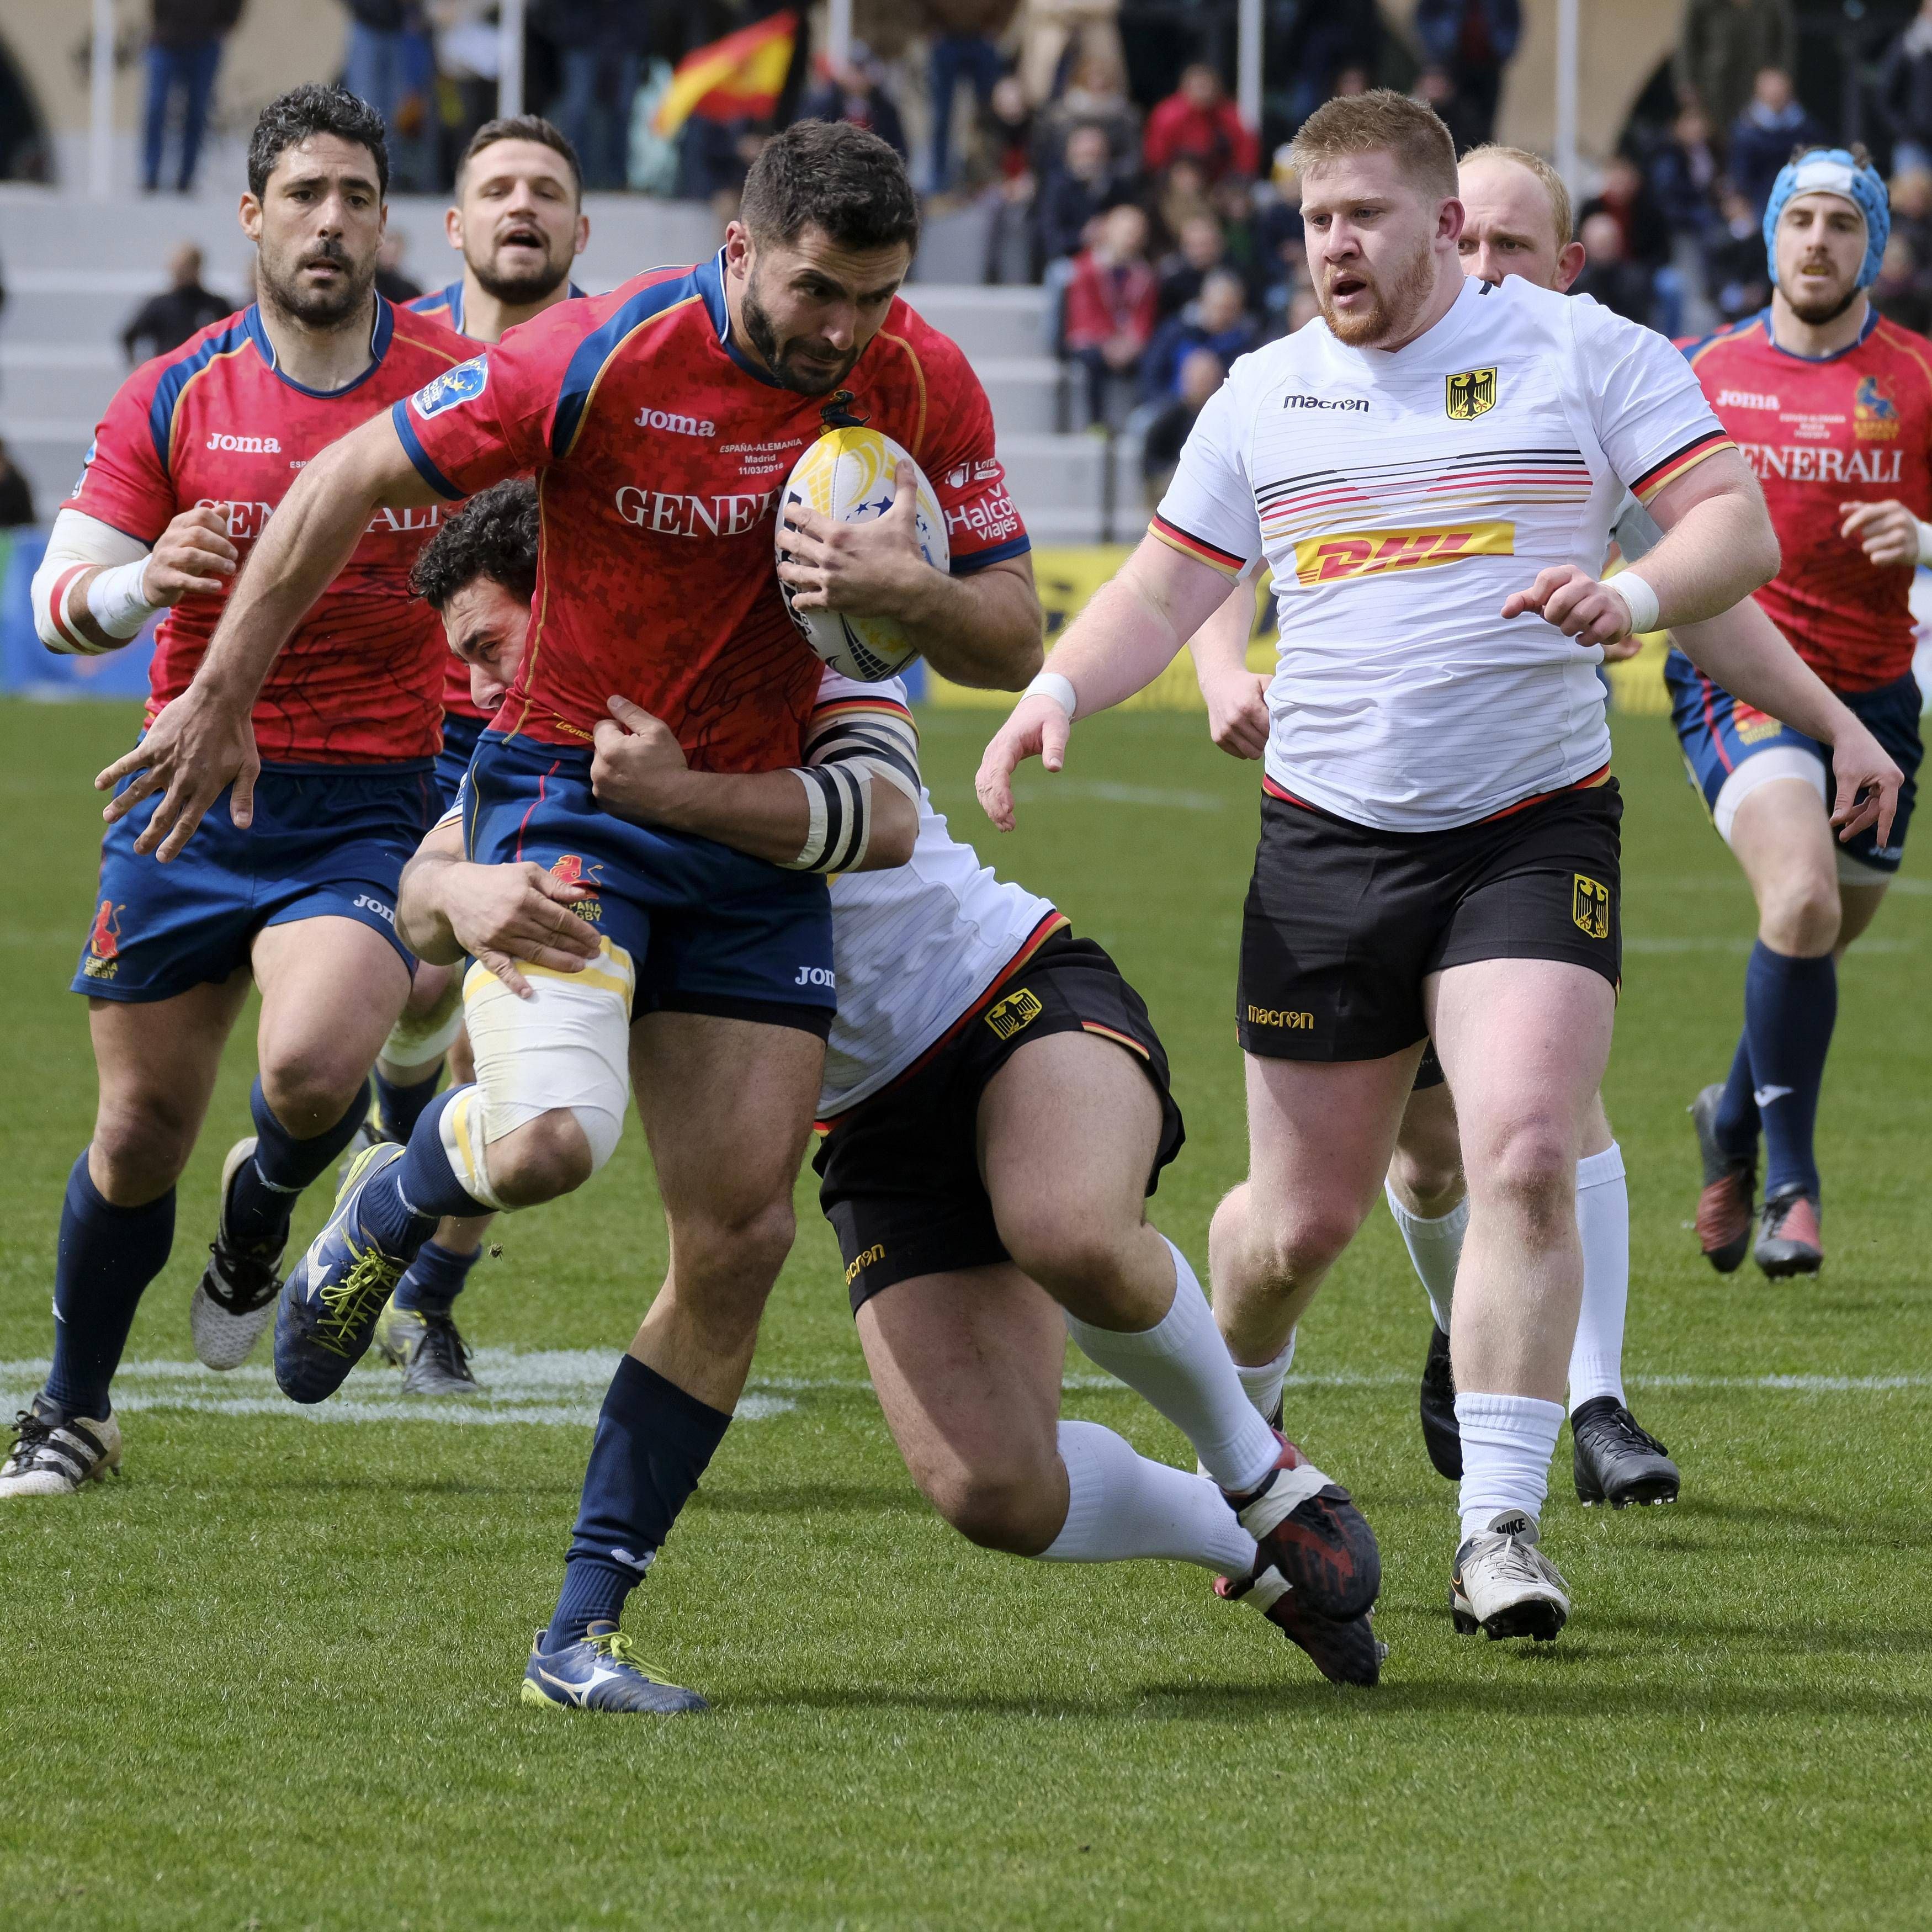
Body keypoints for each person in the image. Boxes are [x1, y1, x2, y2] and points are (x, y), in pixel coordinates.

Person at [95, 121, 1043, 1710]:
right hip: (570, 789)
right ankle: (390, 1205)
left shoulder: (918, 378)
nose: (839, 332)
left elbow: (1010, 629)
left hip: (750, 825)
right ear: (738, 250)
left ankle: (578, 1634)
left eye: (872, 297)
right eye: (816, 290)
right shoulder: (595, 357)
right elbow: (344, 474)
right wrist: (219, 693)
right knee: (546, 1142)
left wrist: (917, 586)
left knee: (735, 1238)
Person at [975, 91, 1894, 1643]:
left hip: (1530, 829)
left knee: (1524, 1149)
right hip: (1326, 844)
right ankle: (1246, 1459)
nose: (1331, 245)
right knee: (1291, 1229)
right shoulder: (1266, 392)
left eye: (1361, 217)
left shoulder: (1586, 353)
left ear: (1443, 226)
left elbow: (1732, 531)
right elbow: (1162, 584)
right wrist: (1056, 692)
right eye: (1312, 220)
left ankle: (1497, 1532)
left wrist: (1633, 591)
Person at [406, 493, 1385, 1693]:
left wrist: (675, 794)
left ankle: (1264, 1475)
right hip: (869, 1117)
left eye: (487, 650)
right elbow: (431, 875)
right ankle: (1253, 1547)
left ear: (564, 604)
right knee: (995, 1492)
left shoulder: (775, 653)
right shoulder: (540, 741)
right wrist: (450, 899)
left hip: (1002, 995)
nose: (476, 690)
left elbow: (880, 818)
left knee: (1067, 1224)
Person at [0, 86, 474, 1502]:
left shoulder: (451, 387)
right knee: (139, 1132)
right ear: (253, 216)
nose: (333, 221)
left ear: (386, 226)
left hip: (365, 806)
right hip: (184, 803)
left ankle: (261, 1213)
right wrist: (153, 578)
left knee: (313, 1066)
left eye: (358, 198)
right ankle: (73, 1411)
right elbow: (56, 604)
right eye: (307, 195)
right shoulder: (177, 392)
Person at [1671, 147, 1929, 1279]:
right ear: (1771, 237)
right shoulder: (1700, 371)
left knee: (1815, 933)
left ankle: (1726, 1121)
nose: (1816, 240)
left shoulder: (1918, 376)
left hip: (1878, 698)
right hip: (1748, 682)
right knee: (1801, 894)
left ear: (1870, 244)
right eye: (1799, 220)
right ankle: (1790, 1183)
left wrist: (1926, 542)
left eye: (1840, 222)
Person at [1061, 201, 1156, 427]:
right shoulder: (1085, 269)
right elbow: (1085, 312)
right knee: (1092, 363)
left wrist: (1132, 343)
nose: (1131, 238)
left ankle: (1141, 420)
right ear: (1108, 231)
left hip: (1127, 344)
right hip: (1093, 340)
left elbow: (1144, 315)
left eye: (1137, 232)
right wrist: (1109, 344)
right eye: (1126, 231)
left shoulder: (1144, 275)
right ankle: (1096, 422)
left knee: (1151, 359)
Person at [144, 0, 244, 195]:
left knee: (197, 112)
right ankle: (150, 175)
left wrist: (224, 25)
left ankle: (186, 179)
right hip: (166, 39)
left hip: (204, 43)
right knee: (156, 109)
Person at [922, 0, 1018, 195]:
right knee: (942, 115)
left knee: (990, 114)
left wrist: (997, 27)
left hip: (981, 37)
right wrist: (929, 27)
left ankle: (987, 174)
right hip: (946, 37)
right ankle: (939, 179)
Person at [1675, 0, 1796, 139]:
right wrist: (1687, 88)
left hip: (1761, 90)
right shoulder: (1701, 5)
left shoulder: (1773, 5)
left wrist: (1781, 76)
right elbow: (1687, 45)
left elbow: (1785, 40)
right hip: (1713, 90)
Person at [1412, 0, 1520, 147]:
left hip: (1489, 64)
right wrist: (1434, 60)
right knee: (1448, 131)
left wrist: (1503, 47)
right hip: (1450, 64)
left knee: (1483, 133)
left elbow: (1511, 17)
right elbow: (1425, 17)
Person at [1139, 267, 1254, 403]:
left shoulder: (1246, 343)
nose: (1221, 315)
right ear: (1203, 301)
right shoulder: (1176, 331)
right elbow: (1151, 374)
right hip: (1170, 409)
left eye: (1228, 309)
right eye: (1216, 307)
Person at [1034, 121, 1134, 267]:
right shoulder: (1056, 188)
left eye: (1097, 155)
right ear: (1070, 155)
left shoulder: (1117, 187)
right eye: (1085, 155)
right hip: (1069, 259)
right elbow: (1050, 237)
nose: (1091, 162)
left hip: (1114, 257)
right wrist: (1082, 238)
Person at [1729, 68, 1824, 216]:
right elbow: (1740, 174)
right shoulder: (1746, 131)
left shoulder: (1805, 126)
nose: (1777, 96)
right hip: (1760, 201)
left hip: (1800, 193)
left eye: (1781, 90)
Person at [1142, 65, 1258, 185]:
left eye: (1208, 87)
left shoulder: (1229, 116)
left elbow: (1246, 157)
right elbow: (1155, 159)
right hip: (1175, 182)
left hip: (1221, 184)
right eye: (1199, 87)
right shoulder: (1167, 115)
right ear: (1185, 88)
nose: (1204, 93)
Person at [120, 244, 233, 364]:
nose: (178, 271)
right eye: (175, 267)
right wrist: (138, 367)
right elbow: (129, 336)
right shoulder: (159, 305)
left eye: (184, 267)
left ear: (197, 267)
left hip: (206, 373)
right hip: (170, 374)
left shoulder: (216, 305)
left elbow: (236, 337)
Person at [798, 44, 910, 163]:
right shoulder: (823, 103)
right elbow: (807, 141)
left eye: (862, 71)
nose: (857, 78)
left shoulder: (885, 109)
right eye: (853, 70)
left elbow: (899, 149)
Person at [1140, 346, 1222, 506]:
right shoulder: (1168, 418)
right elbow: (1150, 464)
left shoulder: (1225, 416)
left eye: (1207, 379)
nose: (1202, 385)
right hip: (1172, 488)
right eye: (1198, 379)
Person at [1571, 210, 1656, 324]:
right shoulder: (1576, 283)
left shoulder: (1634, 281)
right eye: (1599, 243)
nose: (1603, 249)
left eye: (1607, 243)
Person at [1880, 1, 1932, 177]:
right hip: (1915, 144)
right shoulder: (1907, 45)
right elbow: (1885, 95)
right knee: (1913, 202)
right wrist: (1906, 130)